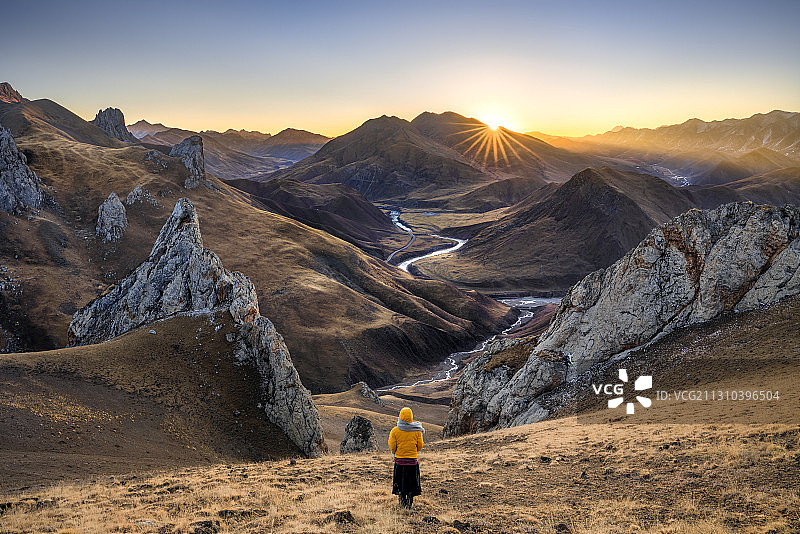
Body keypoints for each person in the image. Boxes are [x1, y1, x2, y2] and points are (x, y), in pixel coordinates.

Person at [388, 407, 424, 509]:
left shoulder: (395, 431)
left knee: (400, 483)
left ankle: (402, 502)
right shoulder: (417, 430)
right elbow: (420, 446)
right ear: (411, 417)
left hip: (399, 462)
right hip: (412, 462)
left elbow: (392, 446)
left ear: (400, 416)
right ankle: (409, 503)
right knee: (411, 483)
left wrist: (397, 452)